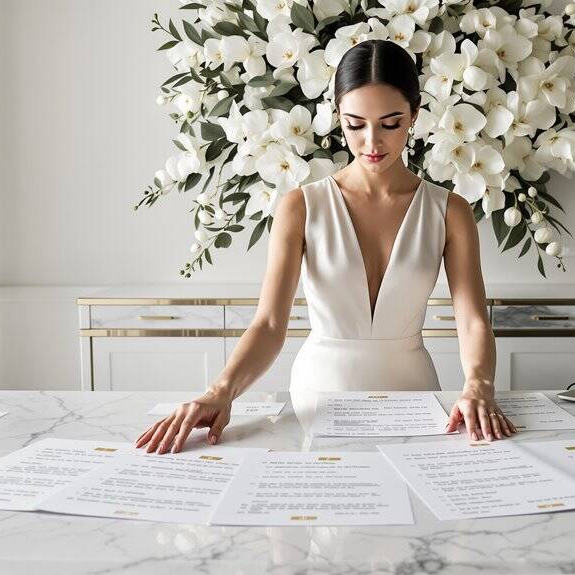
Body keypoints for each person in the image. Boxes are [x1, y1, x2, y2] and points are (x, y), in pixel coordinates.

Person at [136, 39, 515, 455]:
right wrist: (220, 391)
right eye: (355, 124)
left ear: (414, 116)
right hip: (318, 399)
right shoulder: (300, 206)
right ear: (338, 117)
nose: (372, 142)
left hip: (417, 400)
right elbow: (268, 324)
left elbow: (473, 321)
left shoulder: (450, 211)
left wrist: (479, 386)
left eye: (390, 123)